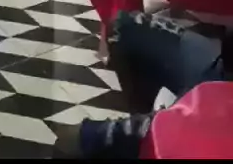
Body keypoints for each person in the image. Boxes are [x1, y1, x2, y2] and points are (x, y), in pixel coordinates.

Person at [53, 9, 232, 159]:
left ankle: (147, 123)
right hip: (218, 81)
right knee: (124, 26)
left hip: (212, 108)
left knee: (73, 142)